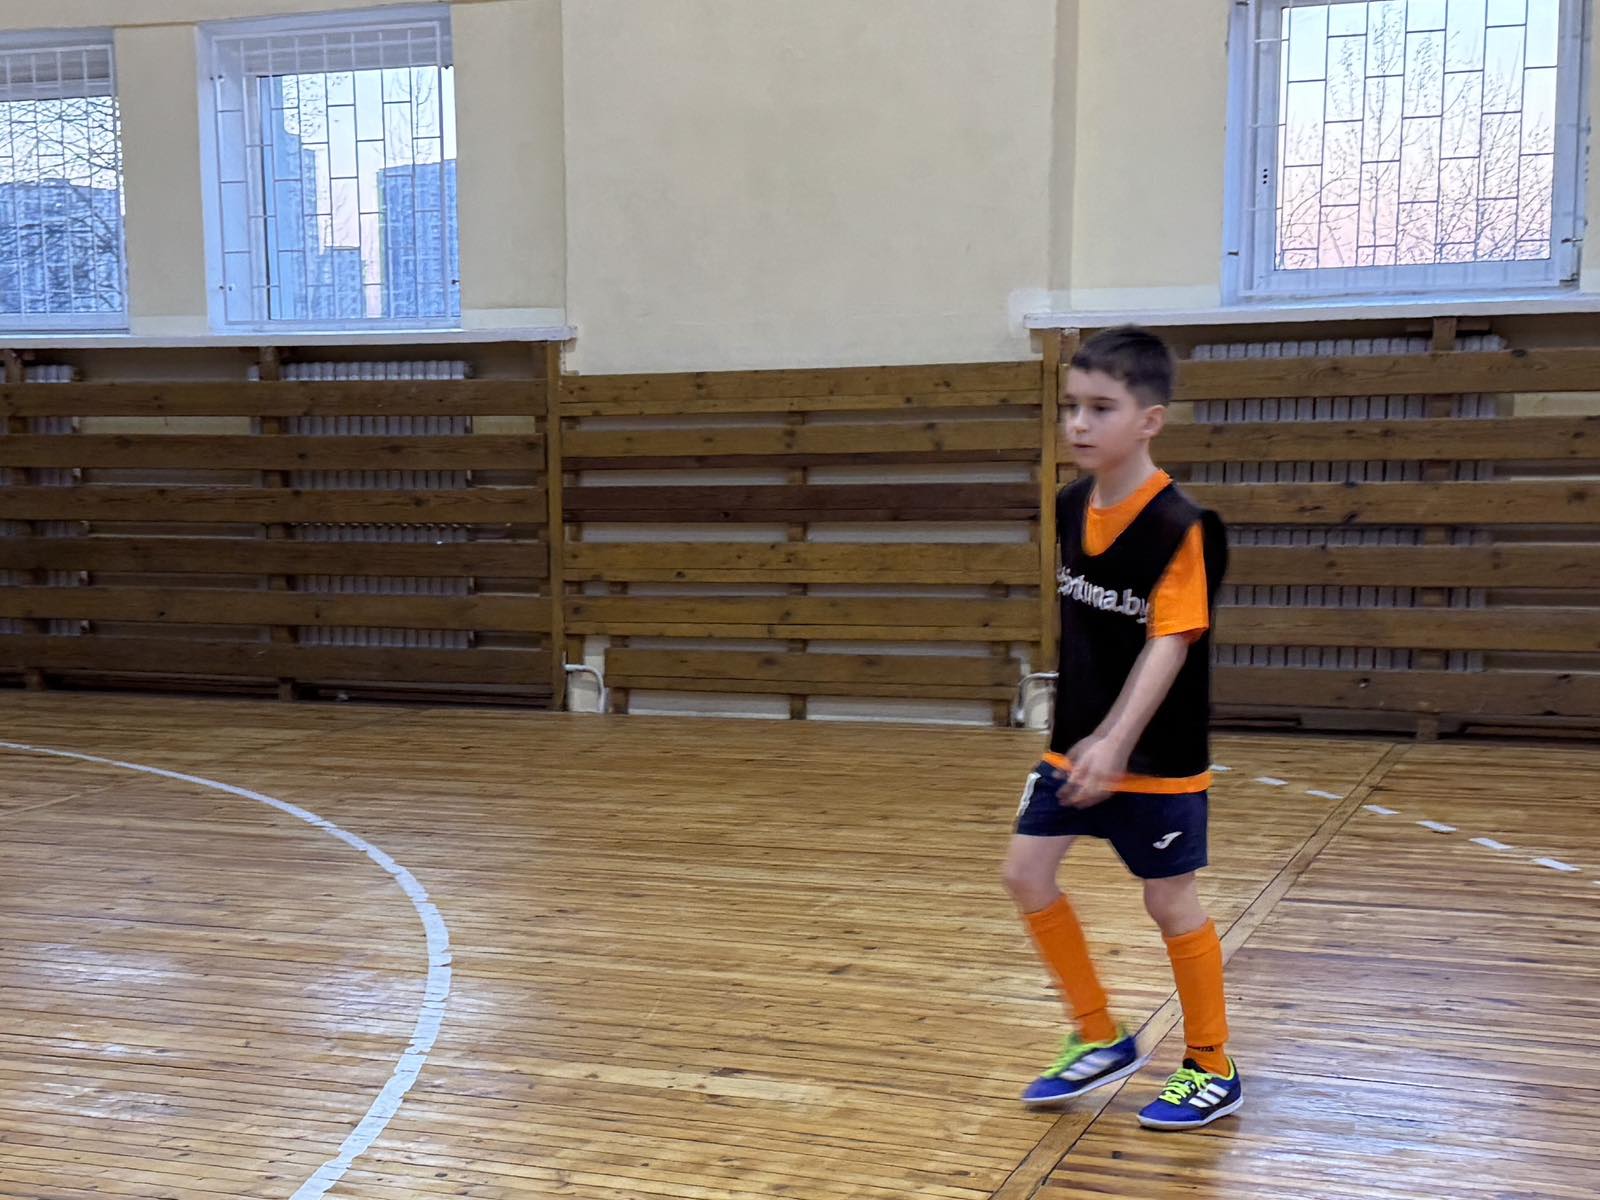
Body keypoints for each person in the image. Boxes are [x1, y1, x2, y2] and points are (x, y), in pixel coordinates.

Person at [1001, 325, 1239, 1131]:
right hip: (1074, 746)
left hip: (1157, 756)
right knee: (1025, 874)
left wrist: (1115, 740)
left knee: (1169, 902)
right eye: (1071, 406)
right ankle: (1099, 1034)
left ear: (1149, 420)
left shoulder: (1183, 527)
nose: (1078, 423)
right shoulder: (1070, 506)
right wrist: (1082, 733)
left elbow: (1169, 642)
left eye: (1101, 408)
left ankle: (1211, 1063)